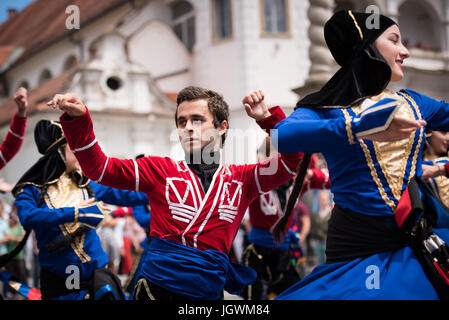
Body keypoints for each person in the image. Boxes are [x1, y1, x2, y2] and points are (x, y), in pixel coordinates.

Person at [47, 86, 302, 300]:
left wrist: (268, 119)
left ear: (222, 127)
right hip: (157, 290)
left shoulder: (243, 179)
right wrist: (79, 121)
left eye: (197, 120)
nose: (188, 127)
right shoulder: (158, 169)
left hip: (208, 293)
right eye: (182, 122)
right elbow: (100, 169)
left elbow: (293, 163)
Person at [272, 10, 449, 300]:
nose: (405, 51)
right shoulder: (327, 109)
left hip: (414, 246)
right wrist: (357, 127)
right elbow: (282, 137)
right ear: (368, 47)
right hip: (357, 254)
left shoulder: (414, 103)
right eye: (394, 40)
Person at [12, 120, 149, 300]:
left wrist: (161, 185)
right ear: (58, 152)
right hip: (68, 274)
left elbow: (124, 195)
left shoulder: (84, 183)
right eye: (73, 147)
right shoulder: (32, 188)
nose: (79, 152)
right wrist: (76, 213)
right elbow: (27, 217)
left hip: (98, 275)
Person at [241, 143, 329, 300]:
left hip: (284, 253)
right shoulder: (256, 177)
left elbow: (335, 177)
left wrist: (311, 174)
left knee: (297, 294)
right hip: (258, 251)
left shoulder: (300, 180)